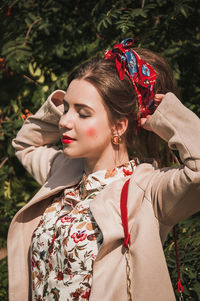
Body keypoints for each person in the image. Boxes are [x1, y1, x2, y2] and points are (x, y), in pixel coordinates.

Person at [7, 38, 200, 301]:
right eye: (66, 111)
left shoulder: (147, 191)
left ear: (118, 126)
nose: (64, 121)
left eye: (83, 113)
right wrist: (68, 100)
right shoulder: (63, 174)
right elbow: (25, 144)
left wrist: (166, 116)